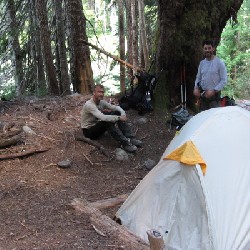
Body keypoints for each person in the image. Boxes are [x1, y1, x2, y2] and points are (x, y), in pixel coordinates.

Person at [81, 84, 142, 152]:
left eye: (102, 92)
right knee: (107, 121)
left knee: (116, 112)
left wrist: (122, 114)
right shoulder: (89, 105)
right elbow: (102, 117)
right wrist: (119, 118)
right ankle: (125, 143)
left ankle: (130, 138)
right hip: (89, 132)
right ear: (94, 93)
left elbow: (116, 107)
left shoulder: (102, 102)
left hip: (97, 125)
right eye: (99, 92)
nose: (101, 94)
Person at [193, 40, 227, 111]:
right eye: (205, 48)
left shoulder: (219, 63)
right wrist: (196, 88)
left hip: (215, 98)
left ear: (213, 49)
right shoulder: (202, 63)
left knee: (214, 118)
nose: (207, 50)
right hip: (203, 97)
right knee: (203, 118)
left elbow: (224, 80)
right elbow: (198, 77)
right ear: (203, 49)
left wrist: (214, 91)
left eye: (209, 48)